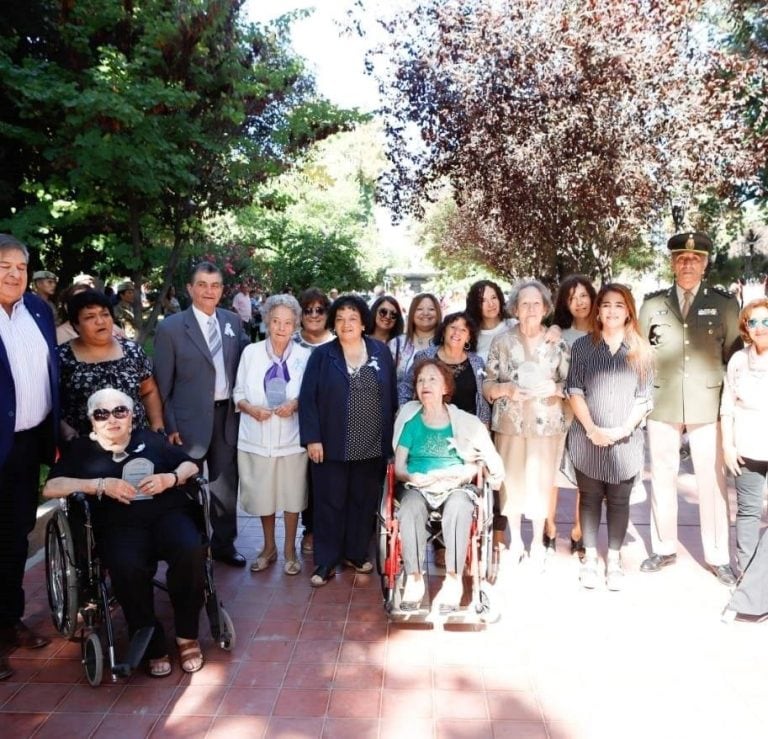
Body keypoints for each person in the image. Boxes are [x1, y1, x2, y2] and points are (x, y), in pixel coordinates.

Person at [43, 389, 204, 677]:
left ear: (131, 417)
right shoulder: (81, 450)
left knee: (190, 548)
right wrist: (100, 485)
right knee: (125, 566)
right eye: (101, 414)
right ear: (92, 421)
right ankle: (151, 641)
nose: (112, 419)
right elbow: (51, 487)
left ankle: (187, 635)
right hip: (118, 526)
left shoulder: (150, 440)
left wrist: (171, 478)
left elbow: (190, 464)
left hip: (167, 516)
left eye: (120, 411)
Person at [639, 231, 740, 585]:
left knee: (711, 481)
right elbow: (641, 353)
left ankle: (718, 555)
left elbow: (733, 355)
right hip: (663, 400)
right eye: (681, 258)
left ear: (705, 263)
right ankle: (663, 547)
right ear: (672, 262)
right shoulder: (653, 304)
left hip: (707, 402)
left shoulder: (725, 304)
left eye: (695, 259)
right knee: (662, 476)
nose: (688, 263)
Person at [153, 261, 248, 567]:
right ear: (190, 288)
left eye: (216, 285)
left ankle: (224, 545)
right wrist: (169, 424)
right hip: (187, 423)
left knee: (225, 486)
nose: (209, 291)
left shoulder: (233, 321)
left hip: (226, 418)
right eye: (203, 285)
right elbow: (161, 384)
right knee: (186, 488)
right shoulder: (170, 328)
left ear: (223, 290)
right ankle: (190, 546)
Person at [299, 294, 397, 586]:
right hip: (331, 443)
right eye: (340, 318)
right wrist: (312, 438)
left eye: (352, 318)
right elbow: (308, 400)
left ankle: (356, 553)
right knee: (329, 503)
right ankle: (326, 561)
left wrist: (389, 441)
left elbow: (389, 396)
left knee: (362, 501)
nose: (346, 324)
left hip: (371, 443)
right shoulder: (322, 355)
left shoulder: (380, 352)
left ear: (364, 322)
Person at [394, 359, 504, 609]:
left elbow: (482, 463)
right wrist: (413, 478)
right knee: (409, 507)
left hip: (456, 484)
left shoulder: (464, 422)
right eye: (421, 380)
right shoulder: (409, 422)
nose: (425, 384)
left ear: (445, 388)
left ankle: (454, 579)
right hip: (419, 485)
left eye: (432, 379)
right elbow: (399, 467)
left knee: (459, 505)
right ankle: (414, 578)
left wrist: (462, 474)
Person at [566, 284, 654, 590]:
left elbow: (644, 399)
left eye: (619, 305)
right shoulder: (582, 347)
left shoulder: (641, 350)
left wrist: (621, 430)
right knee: (589, 500)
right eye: (606, 305)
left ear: (628, 310)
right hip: (587, 437)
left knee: (619, 501)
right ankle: (590, 559)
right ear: (598, 310)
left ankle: (613, 561)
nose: (612, 310)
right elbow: (574, 391)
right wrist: (592, 429)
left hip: (625, 440)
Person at [0, 234, 59, 681]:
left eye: (20, 266)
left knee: (17, 536)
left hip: (27, 446)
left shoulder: (38, 310)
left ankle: (8, 621)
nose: (14, 273)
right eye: (4, 265)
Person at [483, 279, 570, 570]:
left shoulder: (557, 343)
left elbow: (572, 384)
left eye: (536, 304)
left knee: (541, 482)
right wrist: (506, 389)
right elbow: (488, 385)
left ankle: (536, 542)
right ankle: (517, 540)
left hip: (546, 426)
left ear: (545, 308)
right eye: (524, 304)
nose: (530, 309)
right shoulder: (502, 342)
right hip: (510, 425)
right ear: (515, 309)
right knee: (512, 482)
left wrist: (555, 389)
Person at [234, 294, 311, 576]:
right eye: (276, 321)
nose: (281, 327)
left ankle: (290, 549)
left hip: (292, 438)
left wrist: (296, 404)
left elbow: (311, 396)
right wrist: (251, 409)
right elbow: (238, 393)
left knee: (292, 496)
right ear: (267, 321)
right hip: (257, 435)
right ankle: (269, 547)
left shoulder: (305, 357)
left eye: (288, 322)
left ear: (296, 325)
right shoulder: (250, 353)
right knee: (264, 496)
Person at [57, 289, 164, 441]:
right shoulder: (61, 357)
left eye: (105, 314)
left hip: (136, 442)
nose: (100, 321)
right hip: (86, 447)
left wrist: (157, 425)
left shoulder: (132, 351)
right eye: (90, 317)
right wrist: (64, 430)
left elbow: (149, 390)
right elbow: (51, 404)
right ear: (76, 325)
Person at [550, 274, 597, 555]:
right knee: (553, 472)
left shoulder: (604, 332)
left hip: (593, 412)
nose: (578, 302)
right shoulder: (558, 335)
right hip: (561, 411)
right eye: (571, 298)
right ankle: (549, 528)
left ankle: (580, 531)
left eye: (583, 296)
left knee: (586, 476)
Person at [720, 298, 768, 574]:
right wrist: (727, 444)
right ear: (745, 328)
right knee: (749, 513)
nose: (760, 328)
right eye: (753, 322)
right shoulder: (738, 360)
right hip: (746, 448)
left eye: (766, 321)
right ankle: (748, 574)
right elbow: (728, 404)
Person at [293, 287, 335, 556]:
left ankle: (332, 529)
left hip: (331, 421)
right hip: (293, 421)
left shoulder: (338, 341)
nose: (314, 314)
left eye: (320, 309)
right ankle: (309, 529)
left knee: (328, 479)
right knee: (304, 479)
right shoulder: (292, 341)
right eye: (308, 310)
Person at [400, 311, 490, 424]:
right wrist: (404, 412)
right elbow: (406, 387)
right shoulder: (424, 357)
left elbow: (482, 398)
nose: (457, 332)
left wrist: (484, 426)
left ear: (468, 338)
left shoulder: (477, 362)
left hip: (467, 429)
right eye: (453, 327)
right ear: (443, 331)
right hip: (428, 424)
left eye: (463, 330)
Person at [389, 292, 442, 392]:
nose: (425, 313)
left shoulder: (445, 343)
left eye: (431, 309)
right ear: (412, 313)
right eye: (419, 309)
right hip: (402, 405)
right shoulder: (396, 344)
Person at [465, 279, 516, 363]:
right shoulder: (471, 336)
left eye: (493, 297)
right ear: (475, 305)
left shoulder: (513, 325)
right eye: (483, 300)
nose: (491, 304)